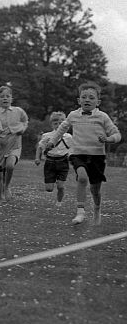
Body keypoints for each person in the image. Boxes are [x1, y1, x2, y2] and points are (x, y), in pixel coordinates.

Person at [44, 82, 121, 225]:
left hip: (97, 156)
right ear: (79, 100)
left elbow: (117, 134)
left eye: (91, 98)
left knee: (95, 189)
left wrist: (108, 139)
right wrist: (51, 143)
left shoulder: (103, 117)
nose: (87, 100)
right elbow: (61, 130)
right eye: (84, 97)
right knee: (82, 178)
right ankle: (80, 212)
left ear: (98, 102)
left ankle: (97, 209)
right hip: (78, 153)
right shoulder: (73, 115)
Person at [0, 85, 29, 201]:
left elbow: (25, 121)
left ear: (11, 98)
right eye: (2, 97)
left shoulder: (18, 111)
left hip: (15, 144)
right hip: (1, 146)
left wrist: (23, 128)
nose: (5, 98)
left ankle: (7, 186)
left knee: (10, 165)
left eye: (8, 96)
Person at [34, 111, 71, 207]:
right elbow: (40, 147)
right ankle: (52, 181)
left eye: (61, 123)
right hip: (50, 162)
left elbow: (73, 149)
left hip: (63, 162)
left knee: (60, 186)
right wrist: (37, 158)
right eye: (56, 123)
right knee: (49, 189)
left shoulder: (69, 137)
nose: (58, 126)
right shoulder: (47, 136)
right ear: (52, 124)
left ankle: (59, 202)